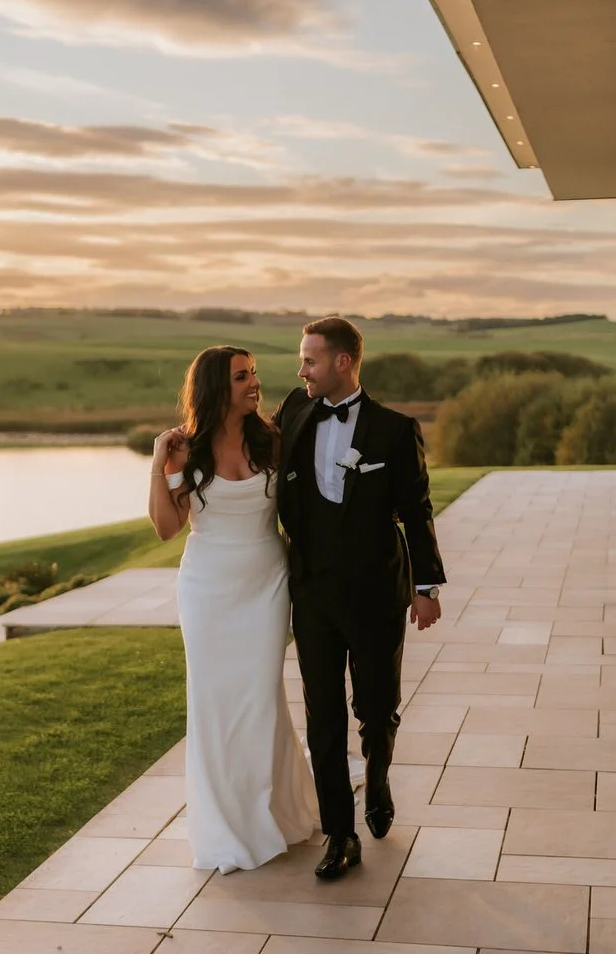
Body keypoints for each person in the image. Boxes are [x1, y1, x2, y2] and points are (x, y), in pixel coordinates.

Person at [274, 316, 446, 880]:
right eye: (302, 360)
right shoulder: (293, 413)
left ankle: (377, 772)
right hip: (313, 593)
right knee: (322, 716)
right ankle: (340, 835)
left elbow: (416, 510)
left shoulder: (394, 430)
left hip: (376, 592)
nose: (301, 370)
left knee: (375, 706)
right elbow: (240, 446)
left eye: (311, 360)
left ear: (343, 362)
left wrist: (425, 587)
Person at [147, 345, 320, 874]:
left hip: (266, 582)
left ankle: (274, 811)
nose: (254, 383)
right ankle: (229, 824)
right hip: (207, 590)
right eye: (242, 376)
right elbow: (165, 528)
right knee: (216, 704)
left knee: (261, 699)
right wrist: (160, 464)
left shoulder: (272, 439)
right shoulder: (187, 450)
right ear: (216, 388)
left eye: (254, 373)